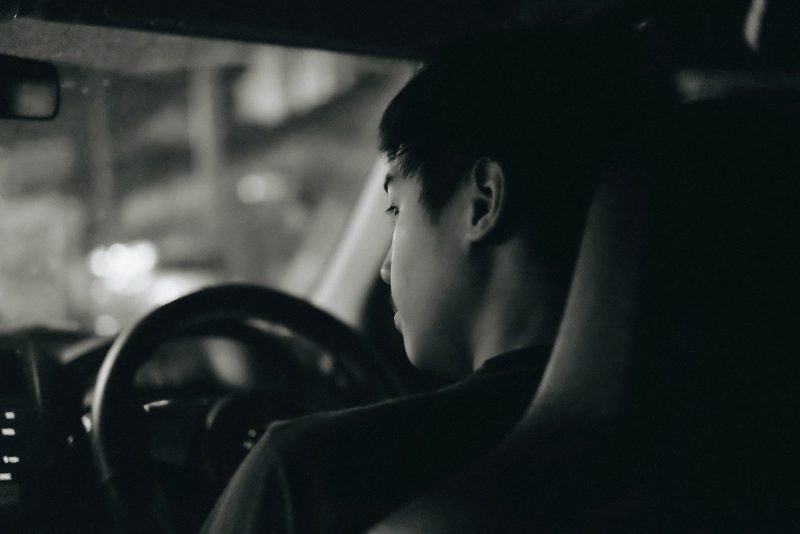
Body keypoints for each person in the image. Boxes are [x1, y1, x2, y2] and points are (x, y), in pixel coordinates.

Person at [200, 24, 667, 534]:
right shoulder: (723, 433)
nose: (382, 267)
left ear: (483, 202)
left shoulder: (312, 475)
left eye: (396, 209)